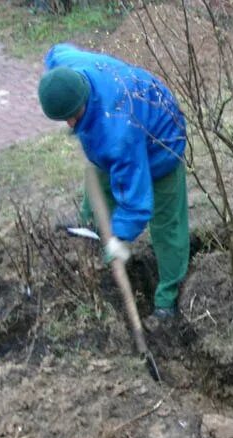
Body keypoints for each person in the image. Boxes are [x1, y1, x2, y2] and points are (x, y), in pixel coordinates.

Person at [37, 43, 189, 323]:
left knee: (167, 225)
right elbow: (54, 51)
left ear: (83, 100)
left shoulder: (117, 135)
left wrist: (121, 238)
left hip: (161, 138)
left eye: (72, 115)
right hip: (127, 113)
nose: (69, 124)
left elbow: (137, 203)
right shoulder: (65, 65)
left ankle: (167, 298)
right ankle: (94, 237)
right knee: (101, 187)